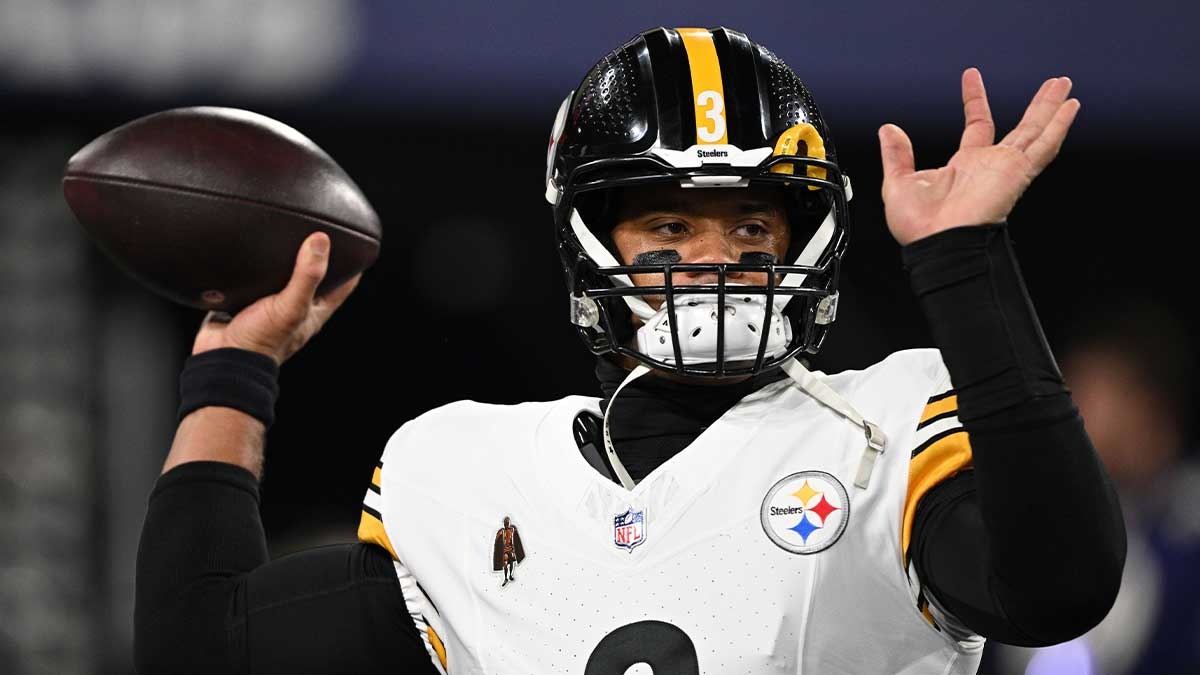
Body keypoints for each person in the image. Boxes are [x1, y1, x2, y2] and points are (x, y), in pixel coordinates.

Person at [135, 27, 1125, 674]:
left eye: (751, 230)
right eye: (669, 230)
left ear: (802, 245)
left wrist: (965, 263)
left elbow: (1059, 587)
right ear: (592, 248)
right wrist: (235, 366)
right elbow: (198, 648)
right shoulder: (463, 472)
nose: (717, 263)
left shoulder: (884, 426)